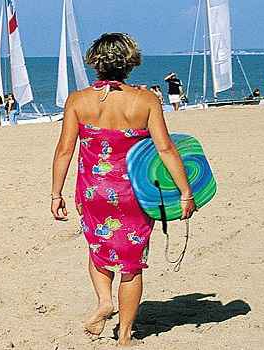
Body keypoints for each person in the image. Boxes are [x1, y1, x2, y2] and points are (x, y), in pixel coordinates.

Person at [50, 33, 196, 347]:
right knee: (132, 262)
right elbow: (166, 149)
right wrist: (185, 192)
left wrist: (55, 193)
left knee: (98, 248)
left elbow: (64, 151)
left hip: (93, 193)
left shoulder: (78, 100)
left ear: (96, 62)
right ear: (130, 62)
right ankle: (126, 335)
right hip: (135, 193)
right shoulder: (146, 100)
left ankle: (104, 300)